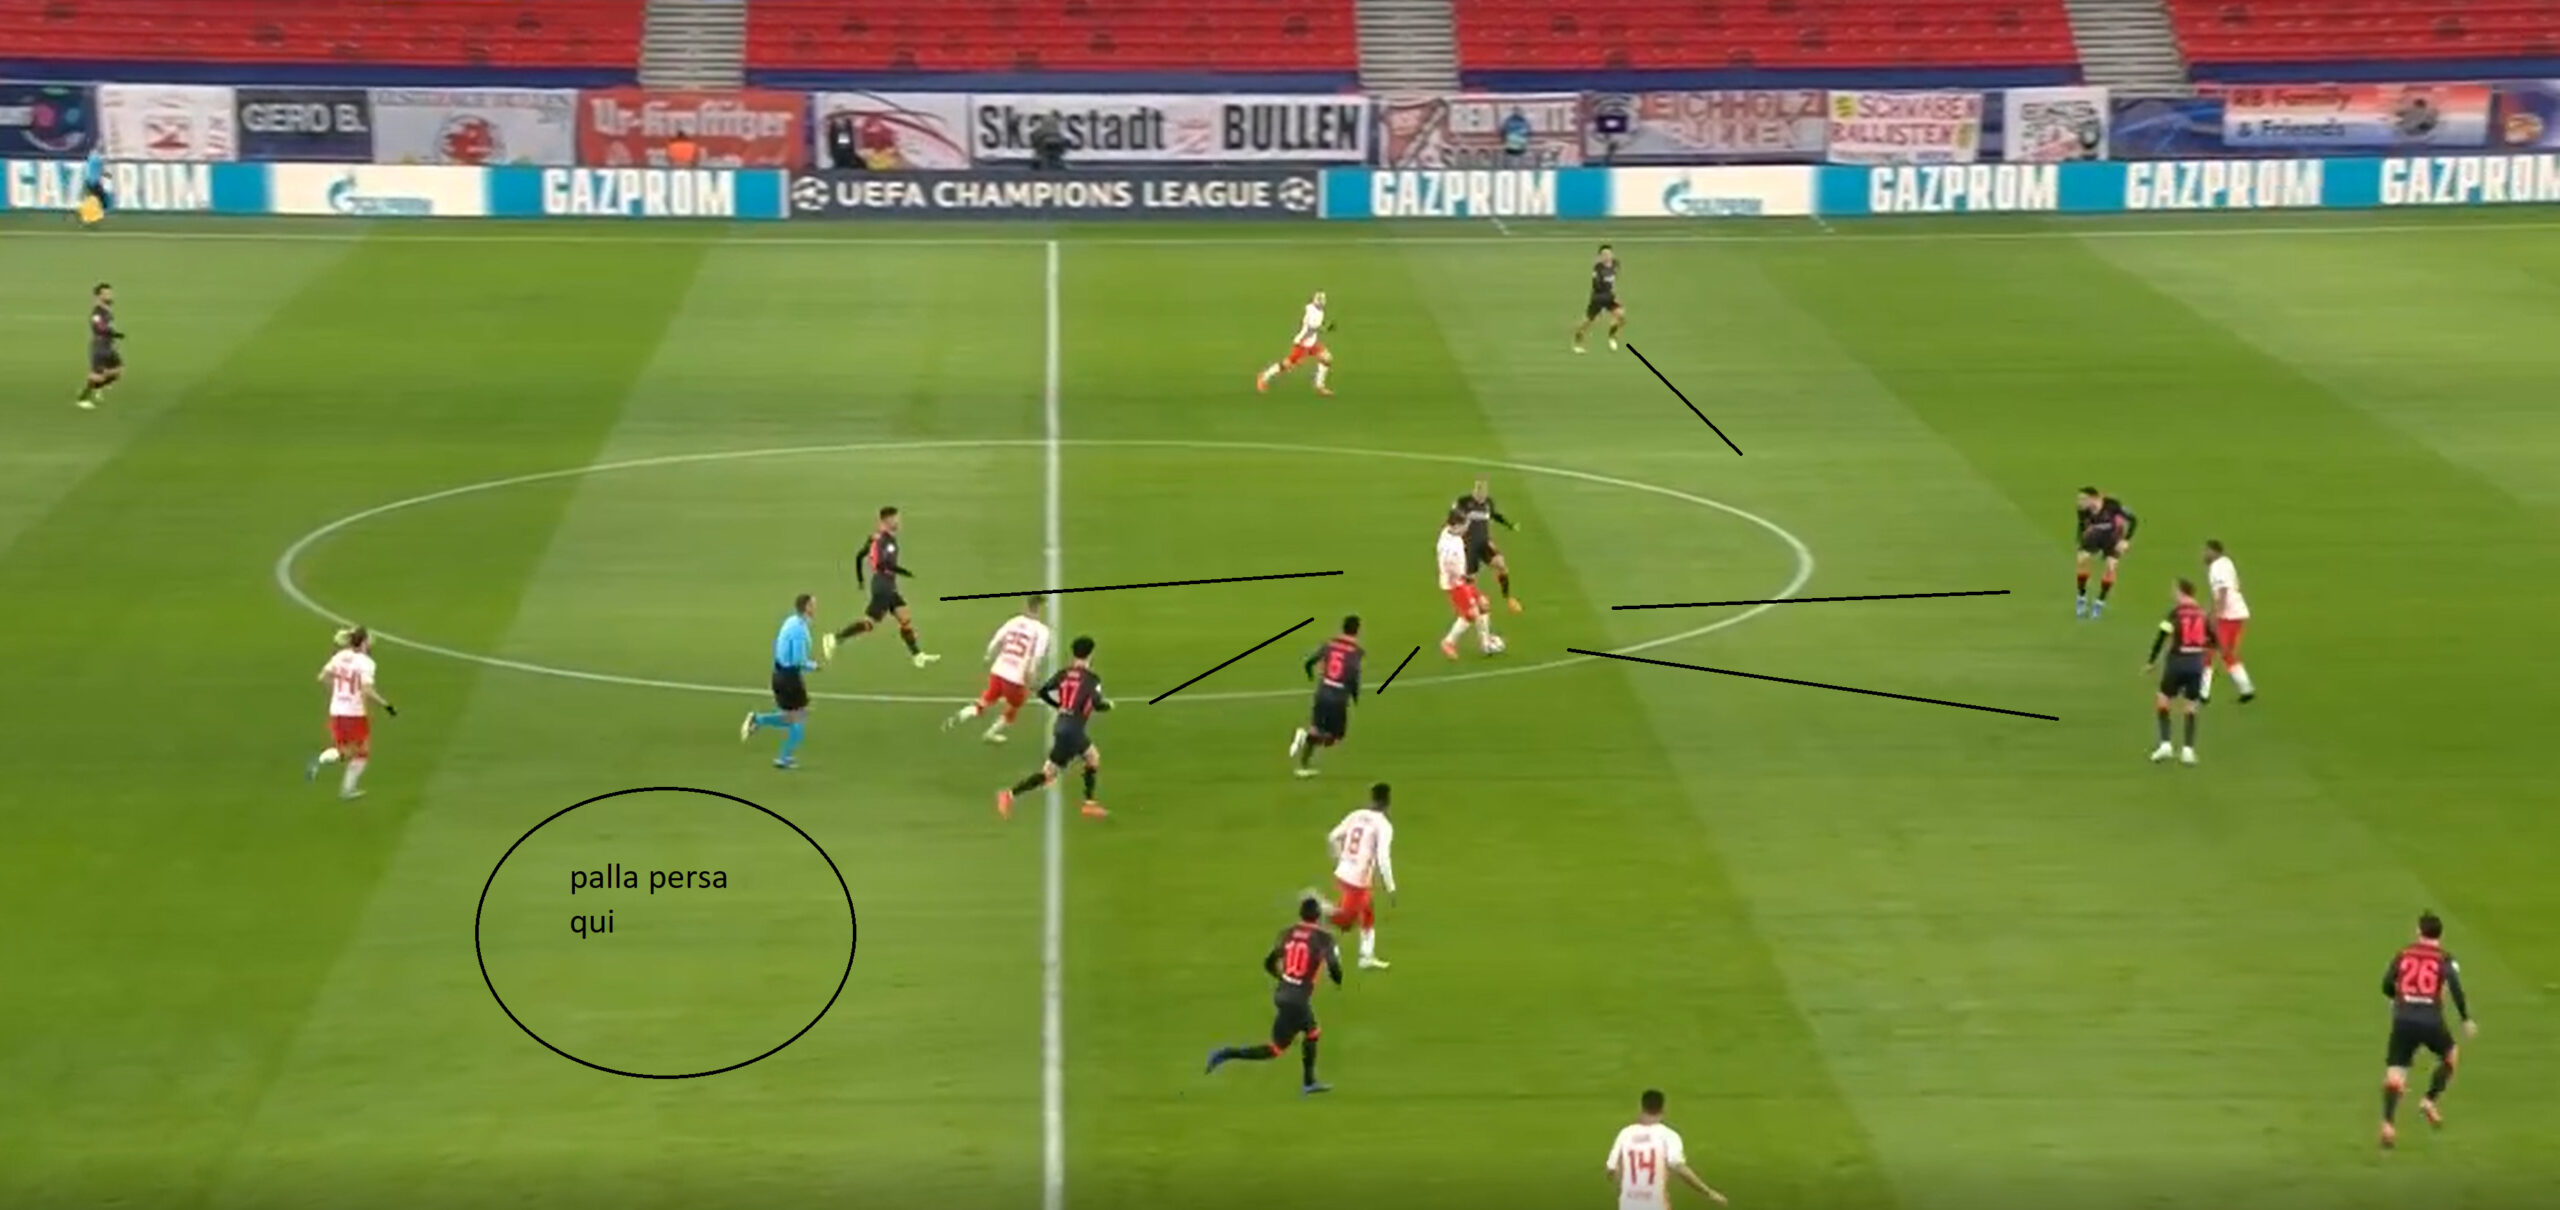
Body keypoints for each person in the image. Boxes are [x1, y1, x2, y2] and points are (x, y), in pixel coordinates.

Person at [1203, 895, 1341, 1095]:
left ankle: (1227, 1053)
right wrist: (1337, 978)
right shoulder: (1323, 938)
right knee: (1311, 1033)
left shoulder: (1288, 933)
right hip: (1297, 999)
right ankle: (1309, 1082)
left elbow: (1268, 963)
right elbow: (1334, 967)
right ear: (1318, 916)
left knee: (1276, 1048)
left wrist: (1285, 979)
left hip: (1283, 994)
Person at [2377, 911, 2476, 1149]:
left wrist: (2396, 998)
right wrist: (2465, 1018)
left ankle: (2388, 1124)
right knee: (2450, 1055)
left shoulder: (2403, 954)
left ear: (2419, 931)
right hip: (2431, 1020)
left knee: (2395, 1074)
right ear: (2440, 935)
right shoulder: (2444, 958)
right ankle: (2429, 1100)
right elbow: (2455, 987)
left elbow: (2386, 983)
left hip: (2403, 1019)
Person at [996, 635, 1109, 820]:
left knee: (1049, 773)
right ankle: (1089, 804)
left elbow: (1043, 692)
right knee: (1092, 758)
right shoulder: (1092, 679)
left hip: (1062, 724)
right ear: (1091, 655)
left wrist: (1059, 706)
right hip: (1073, 729)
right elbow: (1097, 702)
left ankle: (1008, 795)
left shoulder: (1064, 674)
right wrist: (1106, 706)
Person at [826, 506, 939, 668]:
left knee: (904, 618)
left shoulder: (876, 538)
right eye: (896, 519)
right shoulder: (885, 540)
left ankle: (917, 655)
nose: (899, 522)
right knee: (869, 624)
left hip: (887, 585)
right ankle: (835, 638)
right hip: (883, 586)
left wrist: (860, 580)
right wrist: (904, 572)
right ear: (887, 520)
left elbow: (859, 556)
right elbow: (882, 564)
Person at [948, 596, 1052, 742]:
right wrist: (1032, 679)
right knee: (1013, 708)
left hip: (998, 670)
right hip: (1015, 678)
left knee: (986, 700)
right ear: (1040, 609)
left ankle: (961, 715)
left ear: (1026, 606)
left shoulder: (1014, 621)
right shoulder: (1042, 631)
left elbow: (996, 639)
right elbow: (1036, 658)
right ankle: (990, 734)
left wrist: (988, 655)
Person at [308, 626, 395, 800]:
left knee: (351, 750)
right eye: (368, 640)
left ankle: (344, 785)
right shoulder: (366, 663)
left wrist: (338, 693)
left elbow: (322, 677)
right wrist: (386, 705)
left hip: (337, 710)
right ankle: (342, 784)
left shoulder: (340, 656)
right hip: (354, 713)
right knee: (360, 752)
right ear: (363, 643)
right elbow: (367, 690)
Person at [1605, 1090, 1729, 1207]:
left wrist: (1628, 1190)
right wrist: (1708, 1192)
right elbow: (1679, 1168)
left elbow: (1611, 1170)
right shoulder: (1668, 1135)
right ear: (1663, 1109)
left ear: (1641, 1108)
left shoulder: (1625, 1134)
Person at [742, 593, 824, 769]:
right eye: (813, 605)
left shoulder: (791, 621)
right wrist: (814, 666)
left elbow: (778, 645)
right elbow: (798, 661)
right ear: (807, 607)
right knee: (798, 720)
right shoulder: (800, 630)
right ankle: (783, 758)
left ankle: (758, 720)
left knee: (790, 718)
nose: (816, 608)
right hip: (789, 678)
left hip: (779, 674)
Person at [1320, 783, 1396, 969]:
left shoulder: (1357, 815)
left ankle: (1366, 956)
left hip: (1344, 873)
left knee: (1368, 912)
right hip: (1357, 880)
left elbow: (1332, 836)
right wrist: (1390, 887)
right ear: (1388, 802)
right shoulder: (1383, 825)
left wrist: (1341, 858)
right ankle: (1321, 935)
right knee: (1344, 921)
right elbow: (1383, 858)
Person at [2143, 579, 2215, 765]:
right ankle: (2188, 751)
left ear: (2181, 592)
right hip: (2196, 663)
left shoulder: (2175, 613)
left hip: (2177, 662)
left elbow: (2162, 635)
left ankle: (2165, 744)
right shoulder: (2202, 614)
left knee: (2163, 700)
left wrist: (2151, 661)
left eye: (2175, 590)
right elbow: (2214, 640)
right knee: (2190, 706)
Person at [1290, 616, 1363, 777]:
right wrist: (1355, 695)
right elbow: (1353, 674)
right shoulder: (1356, 651)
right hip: (1338, 697)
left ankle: (1303, 766)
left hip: (1323, 692)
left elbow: (1309, 662)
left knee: (1317, 729)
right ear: (1357, 630)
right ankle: (1307, 738)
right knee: (1336, 737)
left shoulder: (1329, 644)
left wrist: (1310, 674)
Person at [1454, 477, 1522, 612]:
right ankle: (1472, 605)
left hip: (1484, 543)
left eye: (1484, 490)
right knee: (1470, 579)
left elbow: (1494, 515)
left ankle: (1507, 597)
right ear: (1474, 490)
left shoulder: (1488, 503)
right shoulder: (1464, 502)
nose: (1481, 493)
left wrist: (1510, 525)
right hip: (1469, 546)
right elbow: (1453, 519)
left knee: (1501, 564)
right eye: (1479, 489)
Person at [2201, 539, 2255, 703]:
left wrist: (2215, 615)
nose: (2203, 554)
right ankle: (2246, 689)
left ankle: (2202, 693)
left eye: (2206, 551)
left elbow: (2223, 592)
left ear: (2214, 551)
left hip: (2228, 616)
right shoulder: (2226, 563)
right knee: (2225, 653)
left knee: (2210, 651)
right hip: (2236, 614)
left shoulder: (2217, 567)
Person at [1255, 290, 1333, 397]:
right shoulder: (1310, 311)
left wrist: (1324, 328)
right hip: (1302, 343)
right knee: (1287, 364)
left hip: (1312, 342)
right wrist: (1326, 328)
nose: (1321, 302)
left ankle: (1319, 386)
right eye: (1319, 300)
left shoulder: (1318, 310)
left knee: (1327, 359)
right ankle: (1264, 376)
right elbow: (1312, 326)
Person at [2074, 487, 2137, 618]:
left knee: (2111, 566)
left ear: (2093, 498)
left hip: (2113, 537)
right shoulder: (2083, 510)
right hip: (2094, 535)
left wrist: (2125, 540)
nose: (2080, 502)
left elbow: (2133, 520)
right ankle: (2081, 597)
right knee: (2081, 559)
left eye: (2083, 499)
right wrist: (2080, 540)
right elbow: (2081, 525)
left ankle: (2099, 602)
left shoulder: (2112, 505)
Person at [76, 282, 122, 411]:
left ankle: (98, 387)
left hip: (109, 345)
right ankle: (82, 399)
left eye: (110, 293)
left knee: (118, 371)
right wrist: (113, 333)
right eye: (106, 294)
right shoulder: (97, 312)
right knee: (96, 376)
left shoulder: (107, 310)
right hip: (100, 347)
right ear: (98, 296)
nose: (110, 295)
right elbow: (99, 327)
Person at [1572, 245, 1624, 354]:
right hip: (1598, 298)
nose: (1606, 256)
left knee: (1620, 315)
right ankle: (1577, 340)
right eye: (1604, 254)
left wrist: (1614, 292)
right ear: (1600, 256)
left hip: (1609, 296)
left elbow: (1614, 279)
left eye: (1608, 254)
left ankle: (1612, 337)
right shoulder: (1598, 268)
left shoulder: (1615, 264)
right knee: (1587, 322)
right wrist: (1612, 295)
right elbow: (1597, 286)